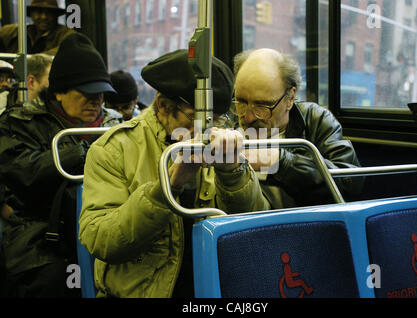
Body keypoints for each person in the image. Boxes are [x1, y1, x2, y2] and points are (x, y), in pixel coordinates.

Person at [78, 49, 270, 298]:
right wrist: (166, 187)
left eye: (217, 121)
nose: (207, 130)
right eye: (196, 118)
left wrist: (233, 172)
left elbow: (257, 230)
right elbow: (101, 240)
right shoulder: (113, 150)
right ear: (163, 106)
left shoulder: (219, 144)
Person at [0, 32, 122, 298]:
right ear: (59, 92)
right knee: (49, 280)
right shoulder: (21, 123)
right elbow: (24, 176)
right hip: (41, 235)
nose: (97, 101)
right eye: (87, 93)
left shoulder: (114, 126)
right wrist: (82, 152)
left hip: (105, 225)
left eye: (102, 93)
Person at [232, 48, 363, 208]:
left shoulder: (315, 120)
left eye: (262, 105)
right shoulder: (227, 123)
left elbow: (351, 184)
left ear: (290, 97)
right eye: (241, 102)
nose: (248, 117)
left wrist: (280, 161)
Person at [0, 0, 75, 56]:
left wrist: (31, 60)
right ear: (31, 14)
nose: (44, 17)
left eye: (49, 12)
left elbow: (66, 50)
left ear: (56, 15)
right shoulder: (14, 32)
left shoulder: (66, 34)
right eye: (39, 12)